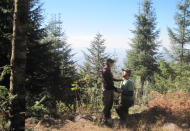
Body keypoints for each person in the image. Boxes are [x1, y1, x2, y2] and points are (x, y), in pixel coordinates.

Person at [101, 58, 123, 125]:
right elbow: (109, 83)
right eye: (112, 63)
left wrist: (120, 79)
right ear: (109, 63)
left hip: (109, 89)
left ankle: (107, 120)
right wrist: (116, 89)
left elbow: (111, 79)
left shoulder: (108, 69)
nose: (113, 64)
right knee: (106, 106)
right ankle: (101, 121)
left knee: (109, 105)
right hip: (107, 90)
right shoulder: (105, 71)